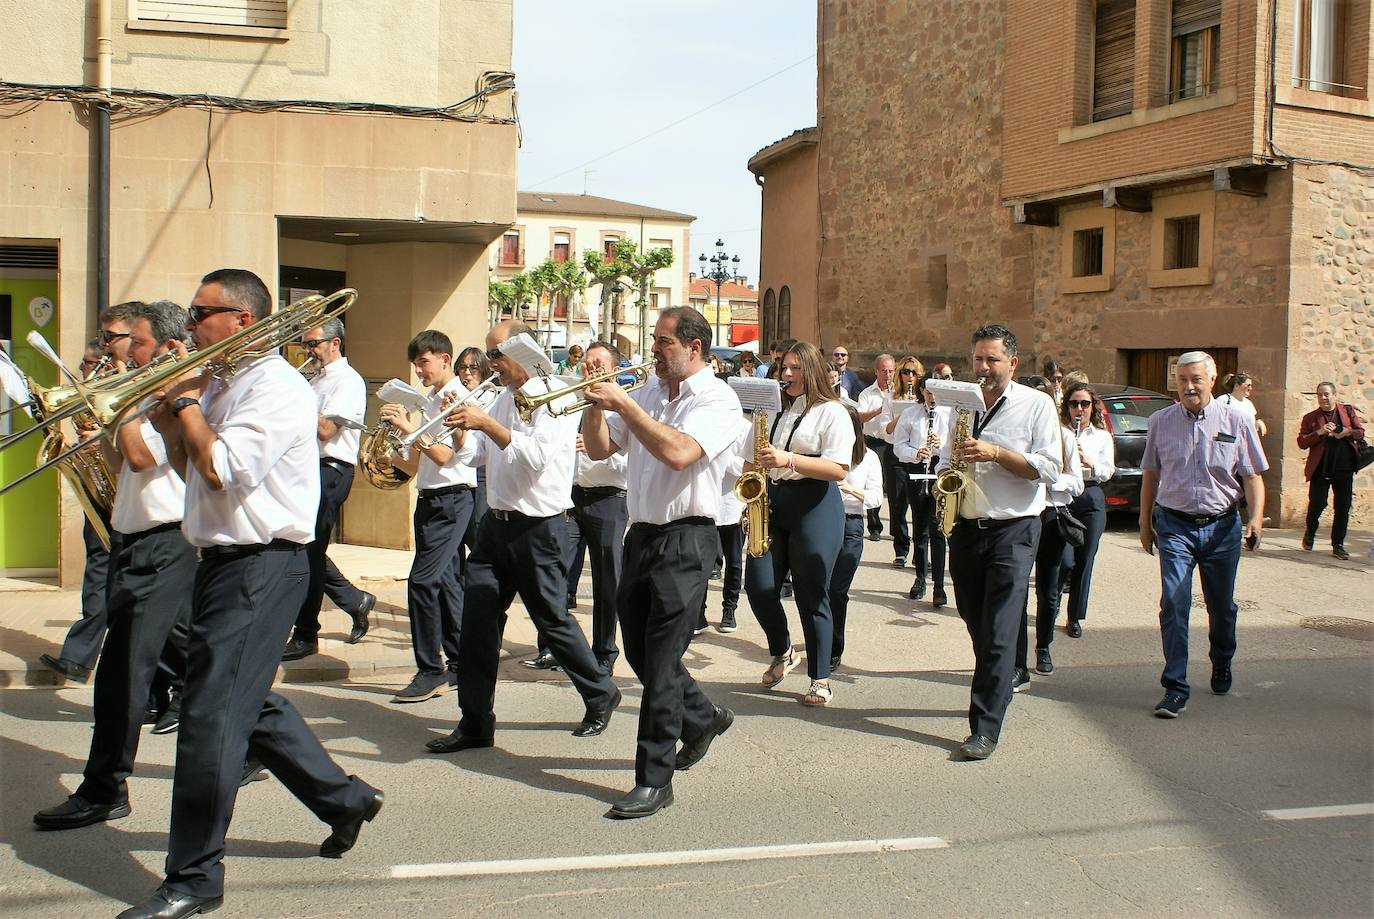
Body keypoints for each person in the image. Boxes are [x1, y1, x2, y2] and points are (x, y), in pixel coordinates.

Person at [118, 269, 383, 919]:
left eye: (199, 312)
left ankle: (195, 877)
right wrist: (174, 411)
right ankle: (344, 799)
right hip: (219, 559)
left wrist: (183, 401)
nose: (188, 324)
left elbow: (224, 468)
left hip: (264, 565)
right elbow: (193, 470)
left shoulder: (276, 388)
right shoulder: (224, 384)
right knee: (244, 704)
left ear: (241, 320)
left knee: (208, 718)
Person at [32, 300, 199, 836]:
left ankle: (105, 788)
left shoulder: (172, 393)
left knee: (124, 674)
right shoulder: (142, 394)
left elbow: (148, 458)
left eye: (131, 342)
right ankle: (310, 775)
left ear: (161, 346)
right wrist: (93, 430)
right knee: (199, 660)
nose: (118, 351)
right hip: (135, 540)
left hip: (165, 543)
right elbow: (122, 463)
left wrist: (118, 403)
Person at [427, 322, 620, 756]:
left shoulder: (555, 395)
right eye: (489, 354)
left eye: (496, 354)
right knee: (477, 626)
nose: (490, 363)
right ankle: (476, 721)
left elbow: (535, 457)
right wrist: (462, 425)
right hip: (497, 525)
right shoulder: (500, 397)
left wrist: (485, 424)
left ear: (523, 349)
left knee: (552, 620)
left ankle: (600, 691)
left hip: (539, 527)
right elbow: (475, 455)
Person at [580, 306, 742, 818]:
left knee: (664, 659)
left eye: (664, 342)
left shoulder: (718, 399)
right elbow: (600, 448)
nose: (655, 349)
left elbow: (678, 453)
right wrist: (593, 405)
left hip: (688, 538)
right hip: (642, 535)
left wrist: (624, 405)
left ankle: (654, 778)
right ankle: (703, 717)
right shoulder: (650, 393)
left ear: (694, 347)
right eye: (655, 340)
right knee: (642, 656)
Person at [936, 325, 1061, 761]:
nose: (984, 368)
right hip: (967, 525)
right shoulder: (961, 403)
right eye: (978, 360)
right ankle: (1000, 675)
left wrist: (996, 454)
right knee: (975, 618)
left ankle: (984, 726)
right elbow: (946, 457)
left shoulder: (1037, 404)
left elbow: (1048, 468)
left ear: (1013, 362)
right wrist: (941, 479)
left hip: (1015, 528)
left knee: (999, 629)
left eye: (992, 360)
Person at [1139, 351, 1267, 719]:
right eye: (1182, 380)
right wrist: (1145, 523)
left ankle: (1221, 658)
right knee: (1174, 602)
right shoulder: (1161, 422)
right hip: (1175, 525)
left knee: (1221, 607)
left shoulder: (1237, 419)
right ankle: (1175, 687)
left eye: (1195, 379)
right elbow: (1151, 474)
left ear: (1212, 380)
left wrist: (1255, 519)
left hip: (1222, 527)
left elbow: (1253, 476)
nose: (1188, 386)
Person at [744, 341, 854, 706]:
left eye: (795, 368)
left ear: (812, 370)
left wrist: (787, 458)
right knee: (758, 586)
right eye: (783, 368)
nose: (787, 374)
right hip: (773, 502)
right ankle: (783, 650)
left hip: (816, 505)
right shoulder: (771, 411)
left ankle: (820, 677)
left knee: (811, 594)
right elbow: (749, 459)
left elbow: (838, 469)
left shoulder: (832, 412)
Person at [39, 300, 142, 685]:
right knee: (98, 572)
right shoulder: (105, 375)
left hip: (132, 495)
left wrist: (102, 438)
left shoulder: (142, 378)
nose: (104, 344)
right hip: (103, 491)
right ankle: (79, 657)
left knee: (123, 583)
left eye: (111, 337)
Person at [378, 330, 476, 702]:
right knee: (448, 583)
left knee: (421, 582)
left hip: (453, 498)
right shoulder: (431, 402)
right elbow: (416, 463)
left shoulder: (458, 399)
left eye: (424, 361)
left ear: (445, 359)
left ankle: (429, 669)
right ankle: (459, 662)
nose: (418, 370)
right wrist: (390, 447)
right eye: (416, 363)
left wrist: (409, 429)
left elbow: (448, 457)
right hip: (431, 499)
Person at [282, 317, 375, 662]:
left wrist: (298, 393)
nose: (308, 351)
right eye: (306, 344)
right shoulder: (316, 380)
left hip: (331, 469)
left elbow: (325, 431)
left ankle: (307, 634)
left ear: (335, 344)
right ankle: (355, 600)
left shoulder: (347, 381)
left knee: (308, 550)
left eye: (313, 344)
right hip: (307, 468)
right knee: (308, 547)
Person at [563, 341, 630, 673]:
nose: (590, 369)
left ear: (614, 370)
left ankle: (605, 653)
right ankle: (555, 647)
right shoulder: (572, 401)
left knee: (607, 581)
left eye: (598, 365)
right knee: (557, 574)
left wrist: (592, 448)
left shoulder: (624, 406)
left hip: (610, 499)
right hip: (572, 498)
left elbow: (627, 464)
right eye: (587, 364)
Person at [1015, 401, 1084, 683]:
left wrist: (1046, 479)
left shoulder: (1064, 436)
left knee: (1049, 589)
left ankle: (1043, 647)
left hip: (1052, 517)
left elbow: (1077, 484)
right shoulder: (1017, 435)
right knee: (1016, 590)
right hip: (1020, 518)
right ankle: (1018, 662)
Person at [830, 405, 882, 670]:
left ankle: (833, 648)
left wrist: (850, 489)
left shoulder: (869, 457)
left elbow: (875, 498)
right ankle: (821, 635)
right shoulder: (824, 453)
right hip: (823, 520)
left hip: (850, 522)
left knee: (837, 590)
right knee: (818, 588)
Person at [1061, 382, 1114, 639]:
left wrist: (1088, 461)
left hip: (1090, 494)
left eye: (1085, 404)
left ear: (1093, 408)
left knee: (1085, 560)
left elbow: (1108, 472)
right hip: (1063, 495)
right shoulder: (1059, 432)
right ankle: (1052, 603)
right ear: (1067, 407)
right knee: (1063, 560)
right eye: (1074, 404)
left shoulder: (1102, 437)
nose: (1079, 409)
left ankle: (1074, 616)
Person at [892, 373, 949, 606]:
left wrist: (941, 445)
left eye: (935, 391)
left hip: (940, 472)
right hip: (917, 472)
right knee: (921, 529)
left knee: (937, 530)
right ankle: (920, 579)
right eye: (927, 391)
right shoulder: (910, 414)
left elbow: (956, 445)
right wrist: (915, 453)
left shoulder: (948, 414)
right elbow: (898, 446)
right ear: (922, 392)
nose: (931, 396)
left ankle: (939, 586)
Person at [1297, 382, 1363, 561]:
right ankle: (1310, 533)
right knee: (1317, 503)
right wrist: (1319, 432)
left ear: (1334, 395)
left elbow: (1360, 432)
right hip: (1321, 468)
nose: (1323, 398)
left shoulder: (1347, 412)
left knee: (1342, 507)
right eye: (1320, 395)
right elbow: (1302, 442)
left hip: (1344, 467)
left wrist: (1347, 433)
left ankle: (1338, 545)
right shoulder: (1310, 417)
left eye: (1326, 394)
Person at [884, 355, 925, 568]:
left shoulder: (925, 400)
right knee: (898, 504)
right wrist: (904, 415)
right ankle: (901, 550)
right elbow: (887, 429)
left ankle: (921, 552)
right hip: (896, 454)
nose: (910, 376)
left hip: (919, 457)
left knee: (920, 506)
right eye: (906, 372)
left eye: (914, 372)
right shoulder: (891, 397)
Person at [456, 346, 497, 554]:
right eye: (462, 367)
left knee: (478, 526)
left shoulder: (491, 397)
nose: (467, 373)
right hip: (457, 470)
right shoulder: (453, 393)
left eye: (473, 368)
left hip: (480, 469)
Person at [857, 353, 897, 543]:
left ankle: (898, 529)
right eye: (884, 371)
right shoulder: (867, 393)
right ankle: (874, 526)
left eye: (891, 371)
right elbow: (860, 417)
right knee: (874, 483)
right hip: (874, 441)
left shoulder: (899, 392)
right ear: (876, 371)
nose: (888, 375)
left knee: (896, 487)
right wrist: (881, 409)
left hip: (895, 442)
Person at [1218, 372, 1268, 437]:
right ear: (1236, 386)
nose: (1250, 388)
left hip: (1245, 442)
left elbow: (1251, 424)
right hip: (1229, 442)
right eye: (1248, 385)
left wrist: (1258, 422)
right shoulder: (1223, 400)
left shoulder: (1249, 404)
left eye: (1251, 386)